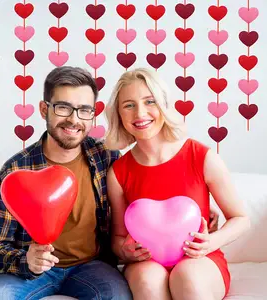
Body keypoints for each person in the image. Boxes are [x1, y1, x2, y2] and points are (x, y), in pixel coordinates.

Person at [0, 66, 132, 300]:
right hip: (31, 271)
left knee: (118, 296)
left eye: (84, 110)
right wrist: (26, 261)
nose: (73, 119)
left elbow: (138, 197)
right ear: (44, 109)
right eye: (63, 107)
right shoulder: (16, 170)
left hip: (91, 266)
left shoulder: (106, 157)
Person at [105, 68, 250, 300]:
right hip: (147, 262)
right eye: (129, 105)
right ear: (119, 115)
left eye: (149, 101)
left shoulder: (201, 156)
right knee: (147, 280)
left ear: (163, 104)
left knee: (187, 276)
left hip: (199, 258)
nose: (140, 113)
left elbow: (241, 218)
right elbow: (117, 238)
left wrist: (211, 242)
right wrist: (125, 250)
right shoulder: (118, 172)